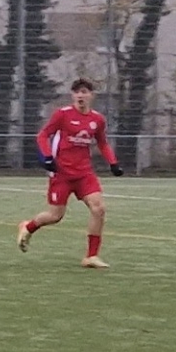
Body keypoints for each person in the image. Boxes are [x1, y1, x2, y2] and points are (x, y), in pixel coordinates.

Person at [17, 78, 124, 269]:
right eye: (77, 92)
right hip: (62, 174)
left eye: (84, 92)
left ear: (91, 95)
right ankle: (28, 226)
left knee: (99, 209)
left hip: (84, 173)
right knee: (55, 216)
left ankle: (91, 256)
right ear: (73, 95)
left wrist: (113, 163)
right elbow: (42, 135)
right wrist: (47, 157)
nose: (80, 95)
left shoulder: (97, 119)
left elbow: (102, 143)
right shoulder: (63, 114)